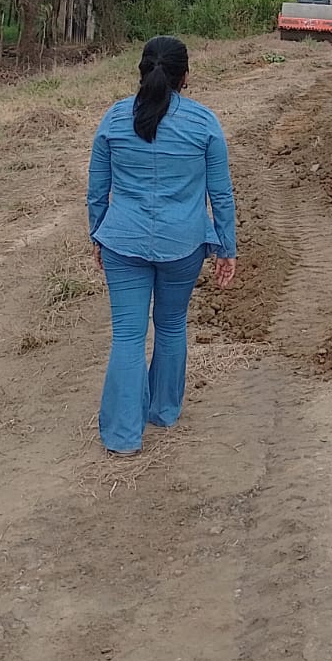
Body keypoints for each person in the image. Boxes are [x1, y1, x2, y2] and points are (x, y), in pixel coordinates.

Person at [86, 36, 238, 455]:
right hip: (183, 244)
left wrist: (98, 233)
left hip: (122, 242)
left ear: (141, 71)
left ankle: (123, 436)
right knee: (171, 326)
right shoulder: (204, 124)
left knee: (127, 335)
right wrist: (226, 247)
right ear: (185, 76)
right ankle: (164, 412)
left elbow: (97, 190)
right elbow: (221, 195)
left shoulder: (114, 119)